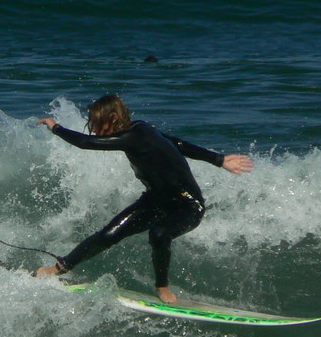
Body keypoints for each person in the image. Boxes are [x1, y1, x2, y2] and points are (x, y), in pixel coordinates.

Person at [36, 95, 253, 303]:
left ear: (112, 119)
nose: (93, 129)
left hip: (188, 205)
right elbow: (177, 144)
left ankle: (162, 287)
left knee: (159, 234)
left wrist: (55, 127)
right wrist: (218, 159)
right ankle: (59, 269)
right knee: (108, 235)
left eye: (95, 123)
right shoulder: (140, 129)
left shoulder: (135, 135)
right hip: (155, 200)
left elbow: (85, 142)